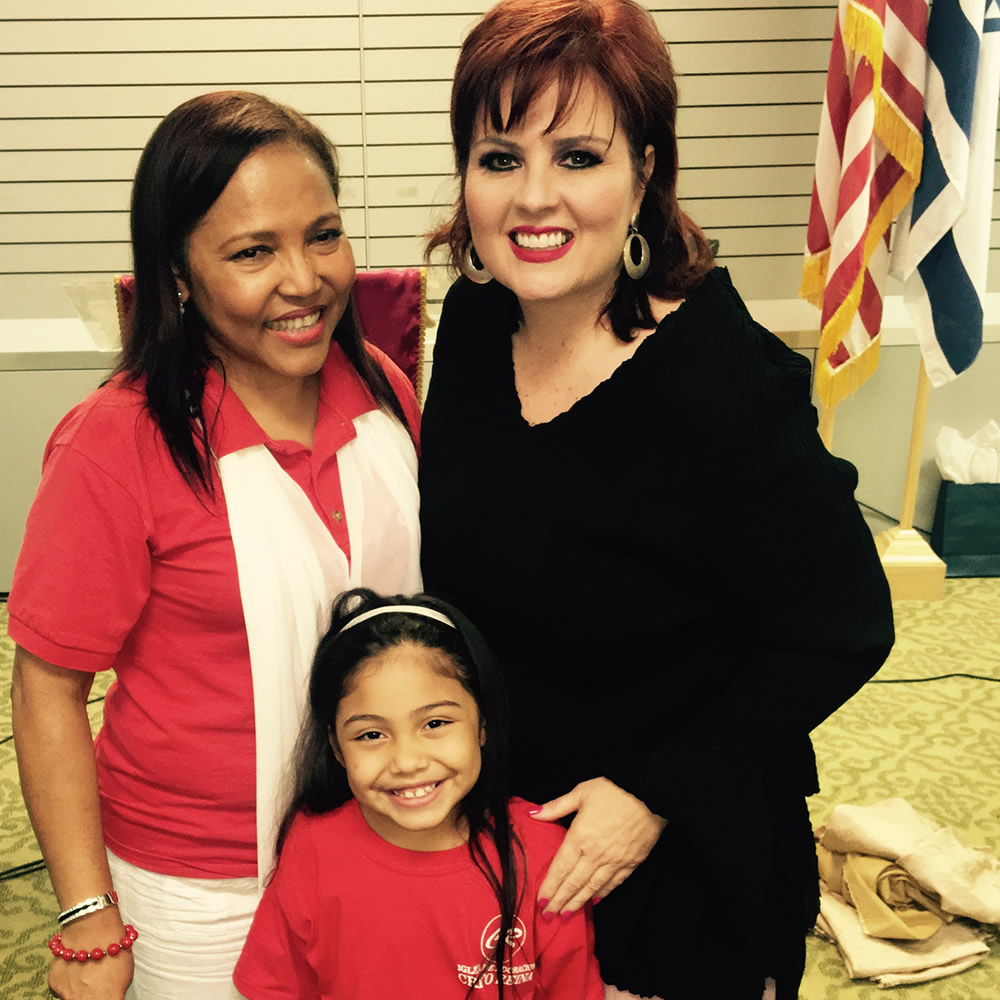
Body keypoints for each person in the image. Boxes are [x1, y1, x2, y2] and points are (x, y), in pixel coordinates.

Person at [419, 2, 895, 999]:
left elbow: (842, 627)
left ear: (644, 171)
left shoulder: (719, 383)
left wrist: (655, 790)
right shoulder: (473, 323)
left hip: (675, 860)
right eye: (499, 158)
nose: (533, 198)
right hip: (506, 836)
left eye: (578, 156)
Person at [9, 92, 422, 1000]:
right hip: (201, 884)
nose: (304, 279)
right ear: (179, 276)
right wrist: (87, 913)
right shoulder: (115, 444)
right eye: (252, 252)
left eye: (323, 235)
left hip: (382, 834)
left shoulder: (383, 392)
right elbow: (46, 690)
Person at [232, 588, 604, 999]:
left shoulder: (546, 852)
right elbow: (276, 988)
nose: (407, 761)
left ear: (482, 724)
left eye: (435, 723)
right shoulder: (313, 845)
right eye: (371, 734)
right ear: (337, 748)